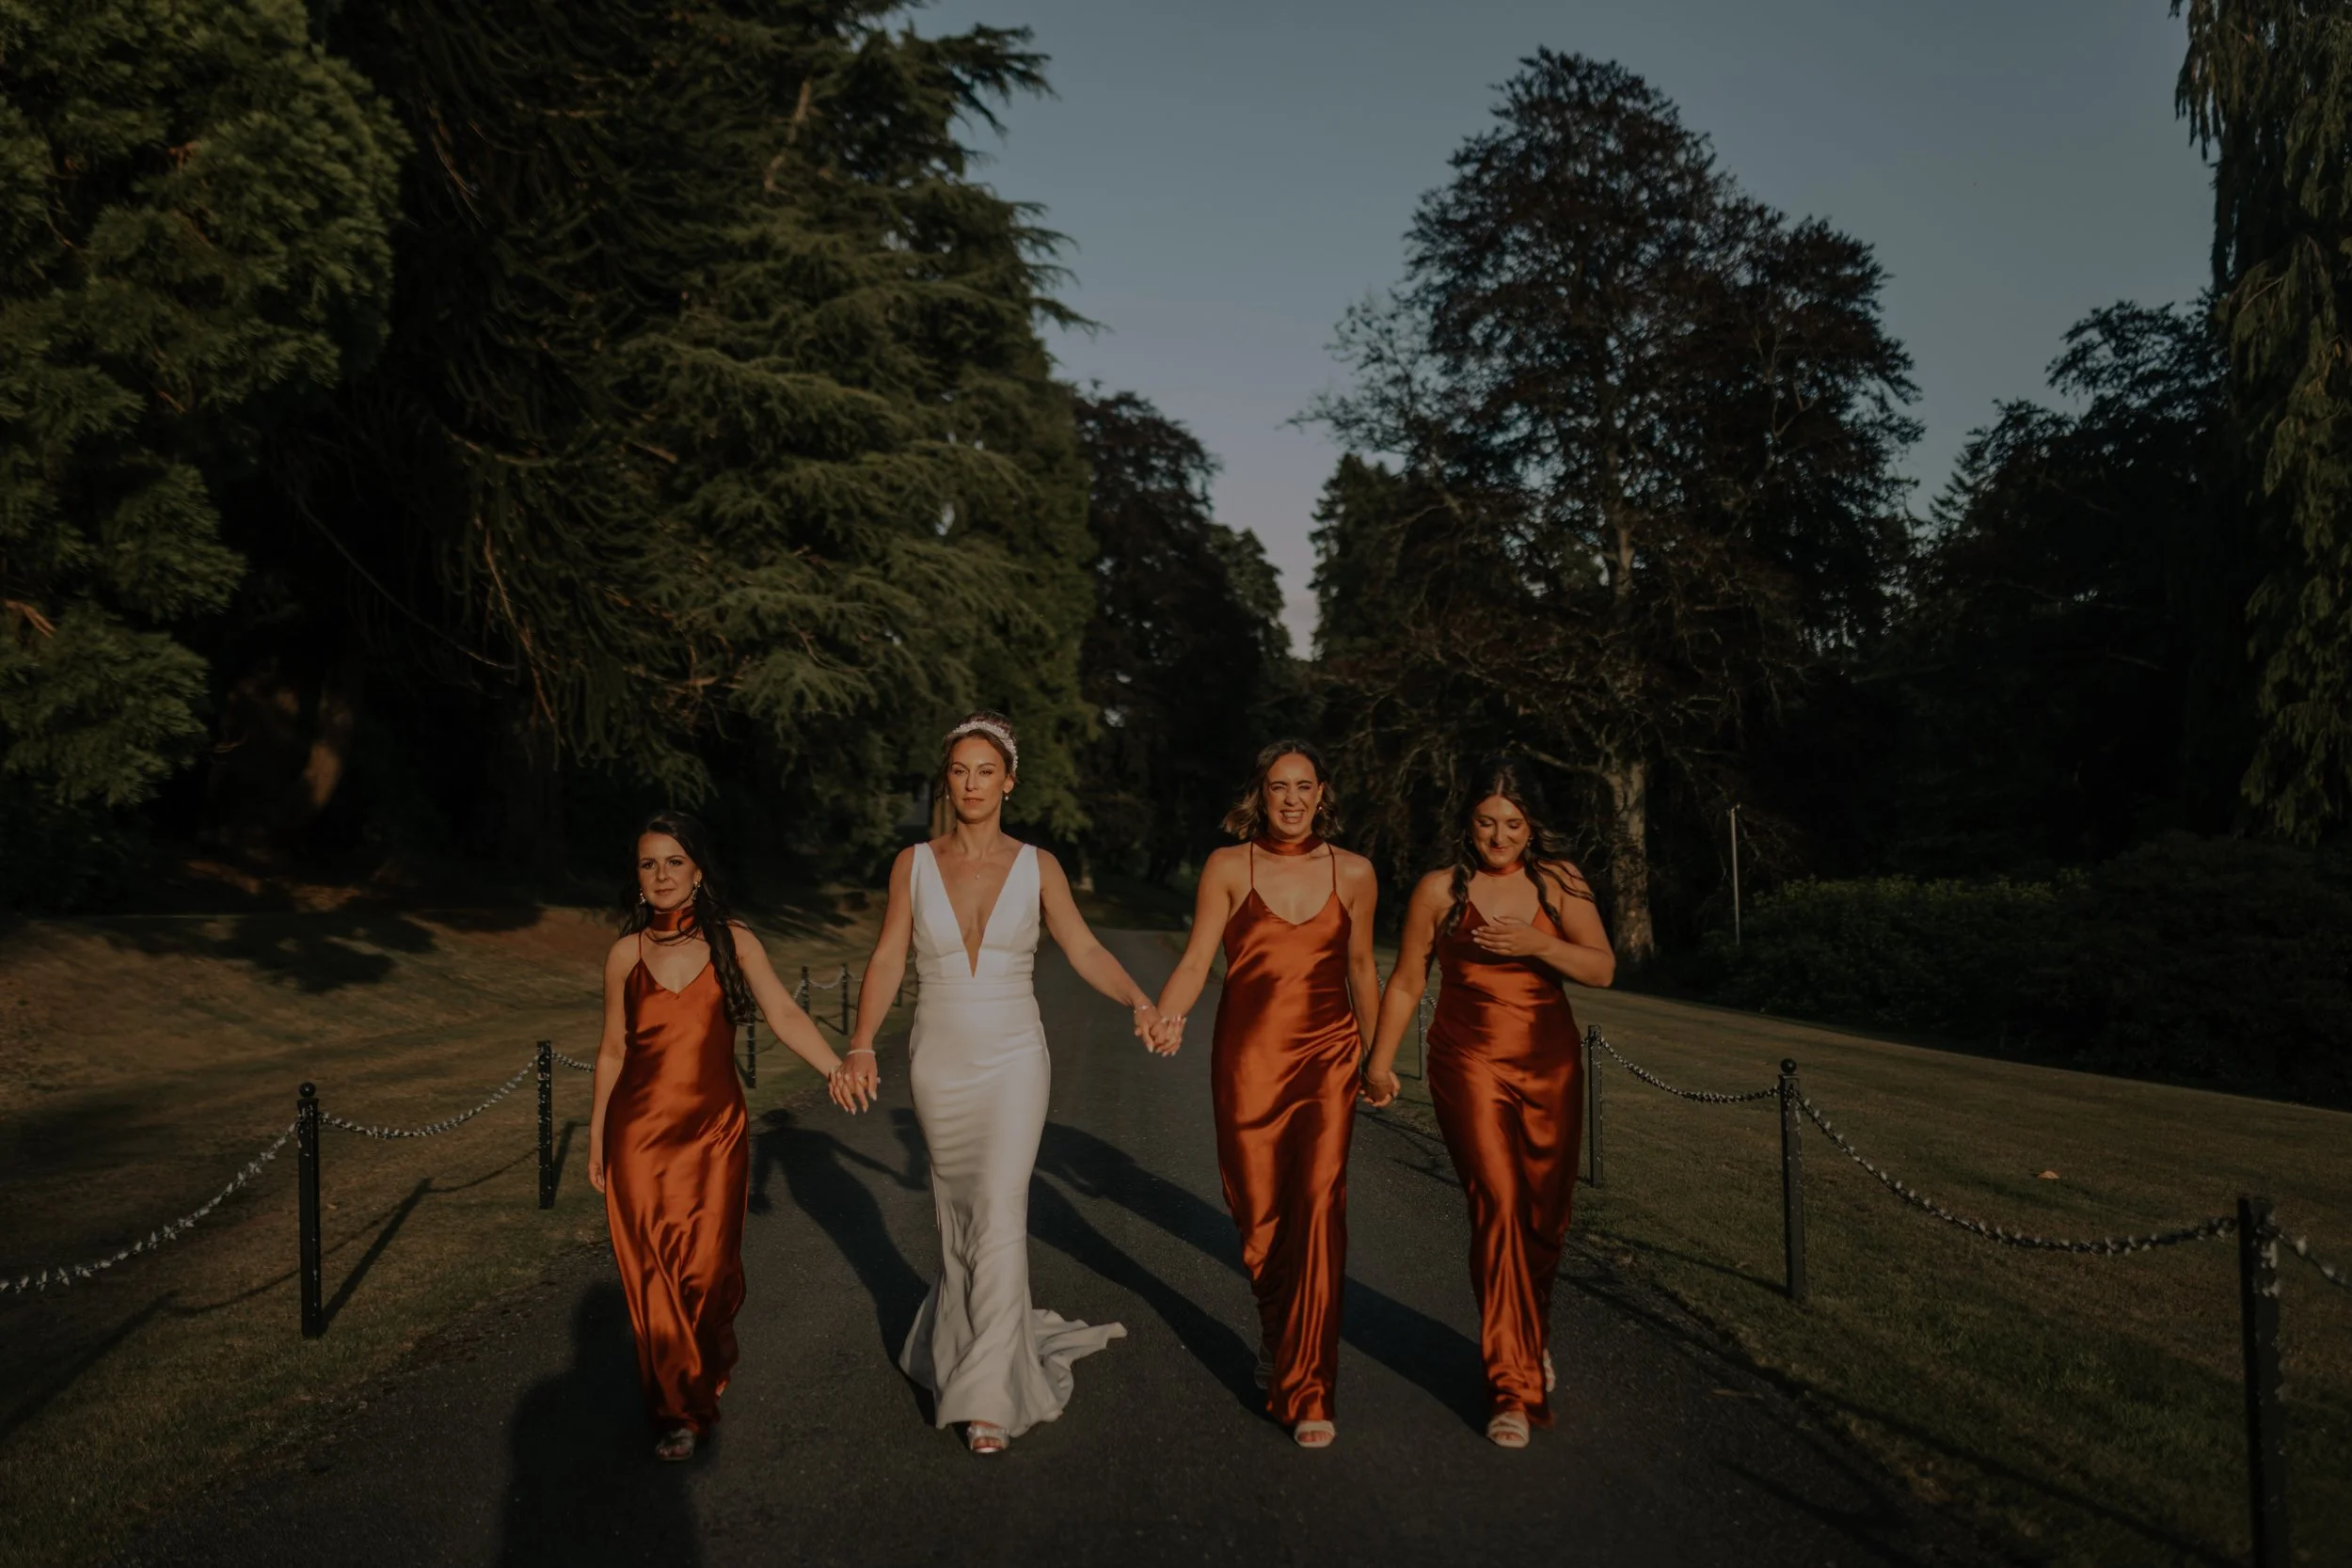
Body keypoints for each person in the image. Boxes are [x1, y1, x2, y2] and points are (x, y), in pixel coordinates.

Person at [838, 711, 1172, 1454]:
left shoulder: (1038, 865)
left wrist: (1139, 1001)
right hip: (939, 1056)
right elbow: (889, 957)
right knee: (960, 1214)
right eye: (959, 770)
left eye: (985, 770)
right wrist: (860, 1043)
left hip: (1015, 1053)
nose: (972, 783)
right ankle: (966, 1342)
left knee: (997, 1206)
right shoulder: (912, 863)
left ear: (1008, 782)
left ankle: (988, 1394)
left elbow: (1082, 946)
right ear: (946, 780)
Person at [588, 811, 860, 1462]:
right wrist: (598, 1138)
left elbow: (784, 1012)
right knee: (653, 1273)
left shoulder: (735, 941)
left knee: (709, 1271)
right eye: (648, 863)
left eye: (674, 861)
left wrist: (835, 1068)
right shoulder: (624, 954)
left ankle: (701, 1364)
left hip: (714, 1132)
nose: (661, 875)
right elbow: (611, 1051)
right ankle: (678, 1412)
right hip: (637, 1136)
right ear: (637, 877)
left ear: (698, 871)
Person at [1361, 757, 1614, 1448]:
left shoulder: (1559, 882)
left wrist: (1537, 942)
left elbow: (1602, 967)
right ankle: (1512, 1387)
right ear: (1466, 823)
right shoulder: (1439, 890)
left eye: (1512, 823)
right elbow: (1407, 981)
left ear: (1531, 825)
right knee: (1498, 1207)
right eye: (1485, 822)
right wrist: (1379, 1062)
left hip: (1551, 1066)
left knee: (1545, 1221)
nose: (1498, 837)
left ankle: (1528, 1337)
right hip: (1467, 1062)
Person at [1150, 740, 1378, 1449]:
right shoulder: (1228, 866)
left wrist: (1377, 1058)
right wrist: (1167, 1013)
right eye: (1279, 786)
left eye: (1304, 786)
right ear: (1262, 792)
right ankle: (1280, 1336)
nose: (1291, 799)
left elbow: (1363, 968)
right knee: (1258, 1219)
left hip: (1328, 1059)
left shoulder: (1355, 872)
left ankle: (1309, 1391)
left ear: (1322, 793)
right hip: (1247, 1061)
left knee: (1319, 1210)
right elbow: (1197, 958)